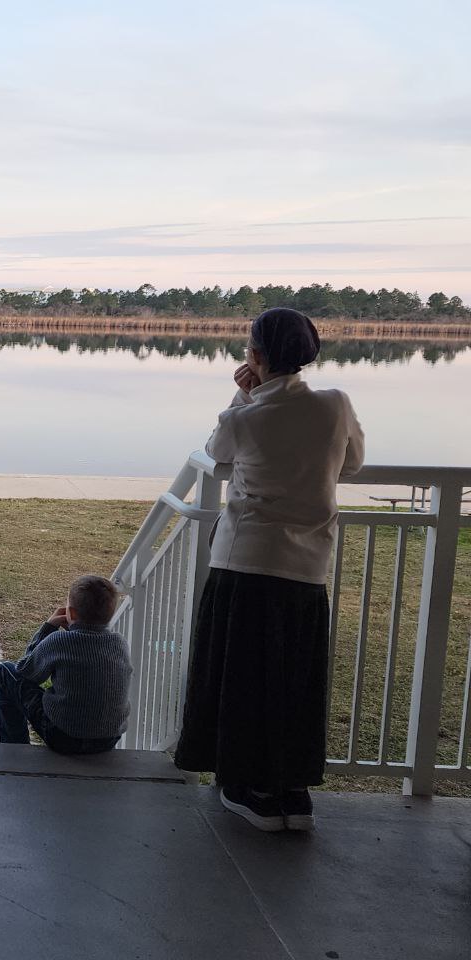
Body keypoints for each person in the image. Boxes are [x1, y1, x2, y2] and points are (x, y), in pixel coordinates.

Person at [175, 307, 365, 832]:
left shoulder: (245, 416)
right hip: (307, 567)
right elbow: (352, 464)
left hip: (245, 562)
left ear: (255, 357)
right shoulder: (335, 405)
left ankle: (247, 788)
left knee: (242, 679)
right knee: (291, 679)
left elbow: (215, 456)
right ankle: (292, 793)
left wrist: (243, 394)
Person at [0, 575, 130, 754]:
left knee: (4, 672)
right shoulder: (119, 643)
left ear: (70, 613)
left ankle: (14, 751)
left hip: (65, 738)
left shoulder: (60, 640)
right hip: (108, 739)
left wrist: (48, 627)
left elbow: (25, 671)